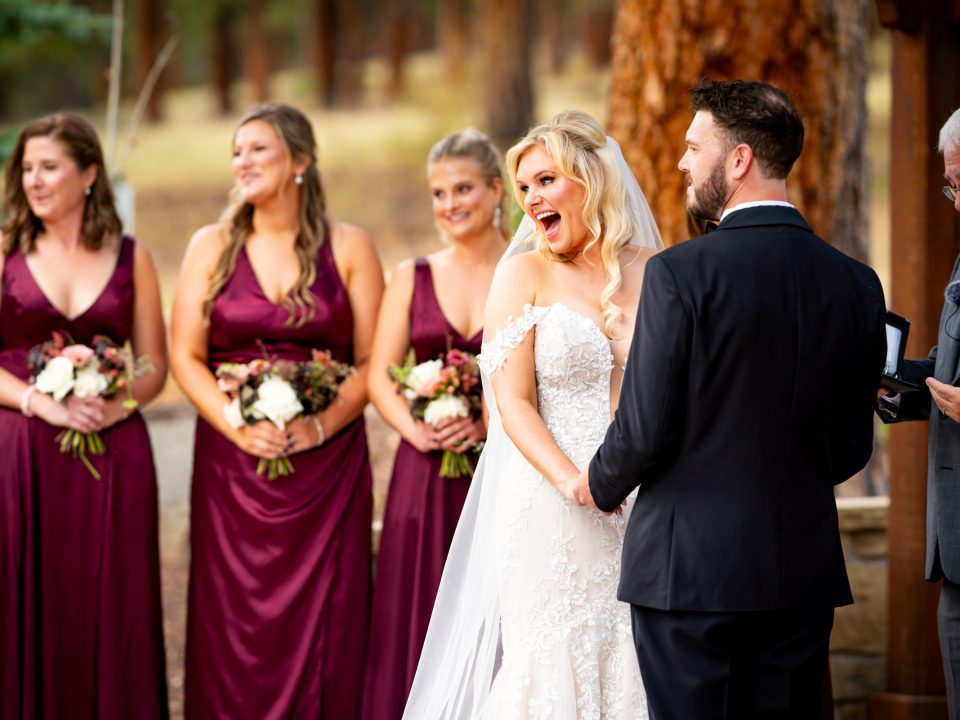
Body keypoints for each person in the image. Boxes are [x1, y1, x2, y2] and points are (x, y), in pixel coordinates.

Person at [579, 79, 887, 719]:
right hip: (798, 573)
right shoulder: (857, 283)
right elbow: (852, 447)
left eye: (695, 148)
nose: (682, 163)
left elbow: (642, 429)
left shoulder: (679, 274)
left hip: (688, 575)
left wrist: (596, 487)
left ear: (740, 159)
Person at [403, 110, 662, 719]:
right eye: (524, 188)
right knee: (553, 657)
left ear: (591, 179)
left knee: (634, 654)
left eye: (545, 181)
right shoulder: (522, 273)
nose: (531, 200)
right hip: (549, 497)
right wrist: (574, 481)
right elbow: (510, 401)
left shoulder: (656, 269)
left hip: (642, 496)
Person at [170, 103, 384, 718]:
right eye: (237, 151)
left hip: (329, 467)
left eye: (258, 149)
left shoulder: (351, 246)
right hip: (232, 467)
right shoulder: (210, 246)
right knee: (234, 621)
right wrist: (239, 425)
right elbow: (185, 356)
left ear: (300, 161)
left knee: (330, 620)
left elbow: (373, 360)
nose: (243, 161)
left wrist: (317, 424)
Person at [0, 113, 169, 718]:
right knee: (26, 599)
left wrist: (117, 404)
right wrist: (38, 401)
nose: (34, 181)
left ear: (90, 174)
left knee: (111, 606)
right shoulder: (4, 252)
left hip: (113, 455)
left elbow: (153, 364)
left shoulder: (133, 257)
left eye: (50, 167)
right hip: (21, 457)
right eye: (26, 169)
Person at [361, 128, 508, 720]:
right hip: (423, 474)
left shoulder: (531, 268)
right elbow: (379, 377)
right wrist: (417, 428)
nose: (450, 204)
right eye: (438, 193)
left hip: (503, 469)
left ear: (498, 190)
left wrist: (488, 423)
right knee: (418, 614)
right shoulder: (411, 274)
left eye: (464, 188)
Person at [877, 107, 960, 720]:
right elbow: (949, 367)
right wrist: (897, 384)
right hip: (955, 547)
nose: (954, 202)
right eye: (949, 185)